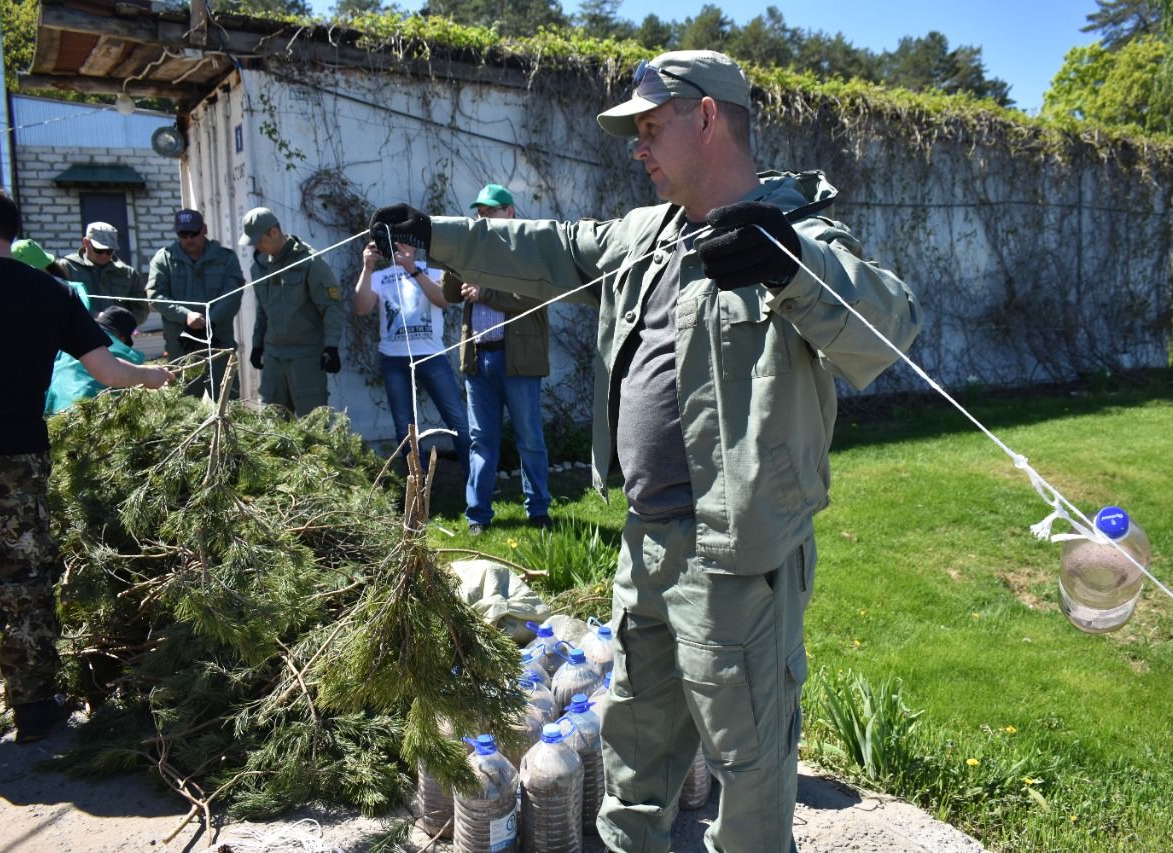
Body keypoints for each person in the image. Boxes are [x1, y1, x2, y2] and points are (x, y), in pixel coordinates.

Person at [372, 50, 922, 852]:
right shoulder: (645, 233)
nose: (638, 146)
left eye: (651, 127)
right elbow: (552, 247)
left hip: (737, 563)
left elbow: (890, 327)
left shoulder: (797, 231)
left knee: (751, 776)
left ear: (706, 117)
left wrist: (793, 266)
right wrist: (438, 237)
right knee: (630, 767)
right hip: (646, 544)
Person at [0, 178, 172, 743]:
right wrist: (153, 377)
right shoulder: (52, 293)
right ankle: (32, 709)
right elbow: (109, 371)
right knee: (25, 580)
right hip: (15, 457)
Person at [439, 184, 552, 535]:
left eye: (491, 210)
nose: (484, 216)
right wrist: (455, 255)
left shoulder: (527, 248)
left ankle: (538, 511)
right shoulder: (473, 250)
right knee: (480, 441)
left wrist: (486, 292)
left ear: (510, 212)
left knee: (529, 438)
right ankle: (478, 516)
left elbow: (535, 296)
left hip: (518, 362)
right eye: (480, 211)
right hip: (478, 361)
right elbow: (448, 294)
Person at [352, 241, 471, 471]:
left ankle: (475, 482)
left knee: (457, 420)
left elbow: (443, 300)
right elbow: (361, 308)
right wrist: (367, 267)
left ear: (415, 246)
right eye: (394, 242)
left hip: (430, 355)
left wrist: (412, 270)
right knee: (405, 426)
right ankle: (419, 485)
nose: (400, 246)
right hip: (394, 359)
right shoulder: (379, 276)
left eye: (404, 241)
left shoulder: (433, 269)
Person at [241, 207, 344, 416]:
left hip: (305, 358)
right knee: (272, 425)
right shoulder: (260, 267)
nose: (257, 246)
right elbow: (263, 309)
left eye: (259, 240)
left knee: (313, 426)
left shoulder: (309, 262)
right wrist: (257, 344)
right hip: (273, 358)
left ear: (274, 232)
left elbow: (331, 306)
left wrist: (331, 346)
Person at [147, 209, 246, 399]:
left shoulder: (225, 258)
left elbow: (233, 294)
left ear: (204, 230)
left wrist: (209, 321)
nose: (189, 239)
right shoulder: (165, 259)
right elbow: (155, 295)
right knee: (184, 407)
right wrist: (185, 315)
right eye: (183, 234)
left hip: (218, 342)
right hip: (182, 346)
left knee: (229, 404)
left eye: (194, 233)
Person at [45, 307, 146, 414]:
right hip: (87, 411)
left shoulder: (71, 339)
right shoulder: (126, 354)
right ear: (123, 336)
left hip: (52, 404)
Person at [60, 221, 149, 325]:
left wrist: (126, 322)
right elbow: (57, 304)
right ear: (85, 243)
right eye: (99, 250)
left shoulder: (128, 274)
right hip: (78, 333)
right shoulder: (66, 268)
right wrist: (94, 316)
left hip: (116, 336)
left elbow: (141, 309)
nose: (104, 255)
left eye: (109, 251)